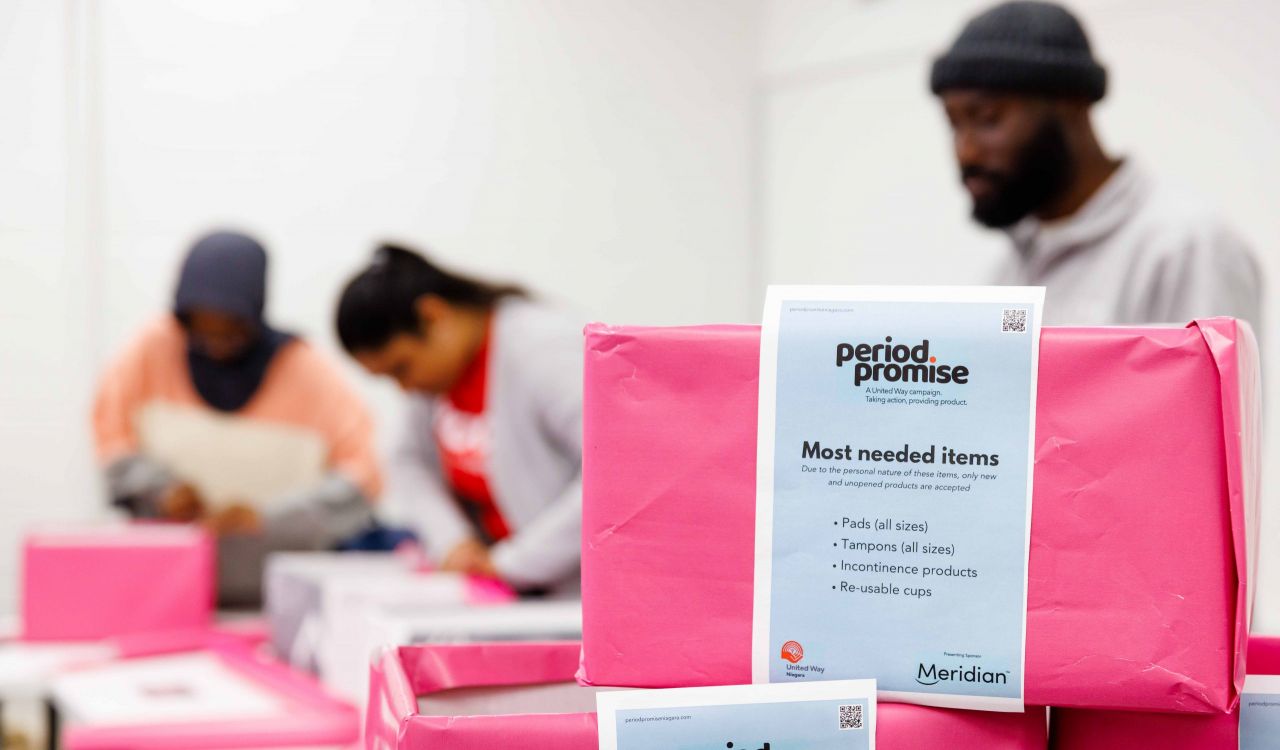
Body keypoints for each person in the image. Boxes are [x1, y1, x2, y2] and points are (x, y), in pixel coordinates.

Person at [930, 0, 1263, 330]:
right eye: (954, 124)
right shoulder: (1006, 276)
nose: (966, 152)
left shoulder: (1186, 248)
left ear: (1071, 103)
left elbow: (1214, 384)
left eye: (987, 119)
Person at [93, 231, 382, 606]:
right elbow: (112, 442)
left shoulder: (306, 371)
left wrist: (267, 518)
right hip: (163, 593)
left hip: (275, 597)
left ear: (255, 315)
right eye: (201, 333)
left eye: (232, 332)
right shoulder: (152, 350)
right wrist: (163, 491)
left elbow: (363, 479)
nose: (215, 345)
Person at [336, 244, 582, 592]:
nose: (404, 388)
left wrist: (513, 562)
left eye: (401, 368)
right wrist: (454, 543)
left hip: (574, 597)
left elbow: (617, 473)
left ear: (434, 316)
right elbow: (407, 461)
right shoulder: (435, 379)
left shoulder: (542, 350)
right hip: (503, 590)